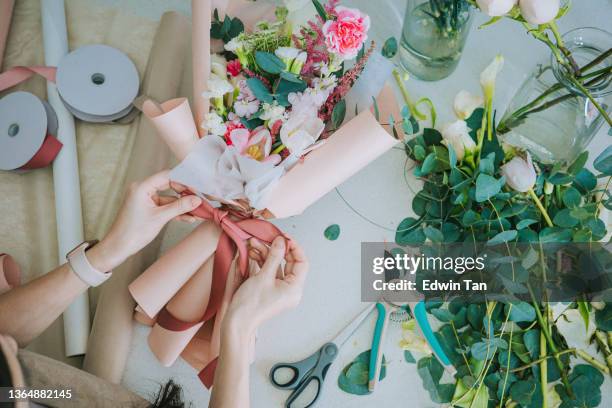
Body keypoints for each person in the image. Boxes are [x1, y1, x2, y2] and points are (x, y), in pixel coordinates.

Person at [0, 170, 308, 408]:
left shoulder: (24, 386)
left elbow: (5, 339)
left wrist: (107, 253)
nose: (11, 349)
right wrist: (239, 328)